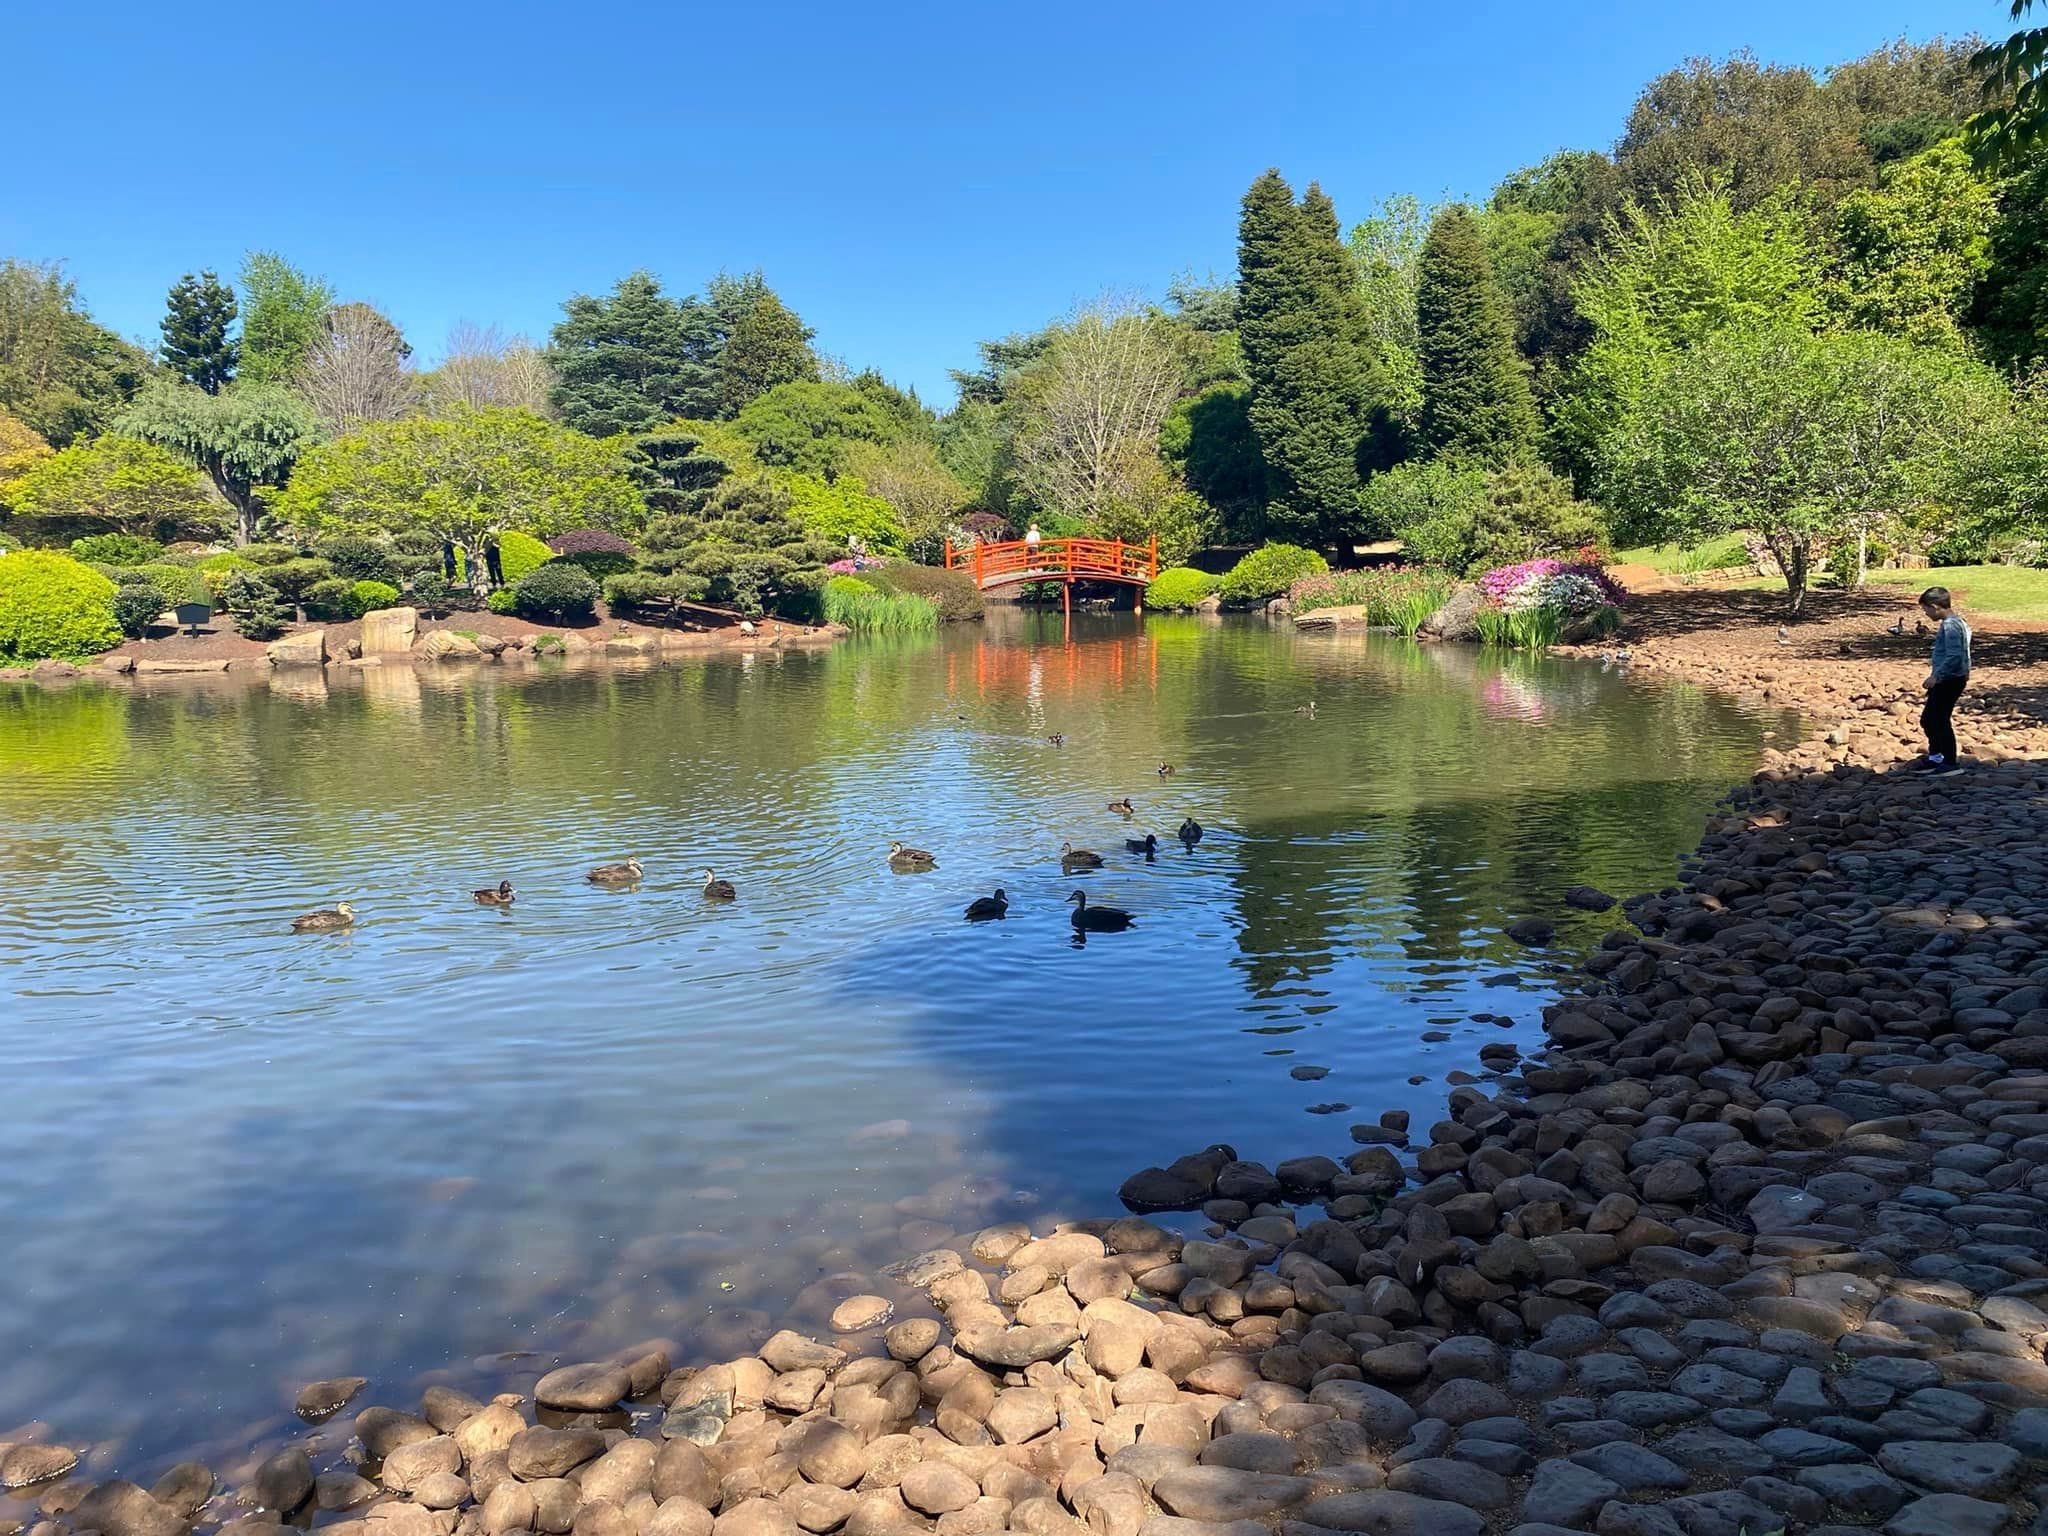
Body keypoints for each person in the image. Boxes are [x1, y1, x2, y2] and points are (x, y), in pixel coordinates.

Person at [1917, 585, 1971, 777]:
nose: (1926, 614)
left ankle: (1949, 762)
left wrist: (1936, 677)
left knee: (1938, 720)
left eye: (1926, 610)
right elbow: (1964, 652)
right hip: (1954, 678)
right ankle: (1936, 757)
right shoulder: (1960, 622)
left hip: (1949, 679)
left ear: (1935, 606)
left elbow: (1956, 655)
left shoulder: (1949, 625)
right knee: (1929, 719)